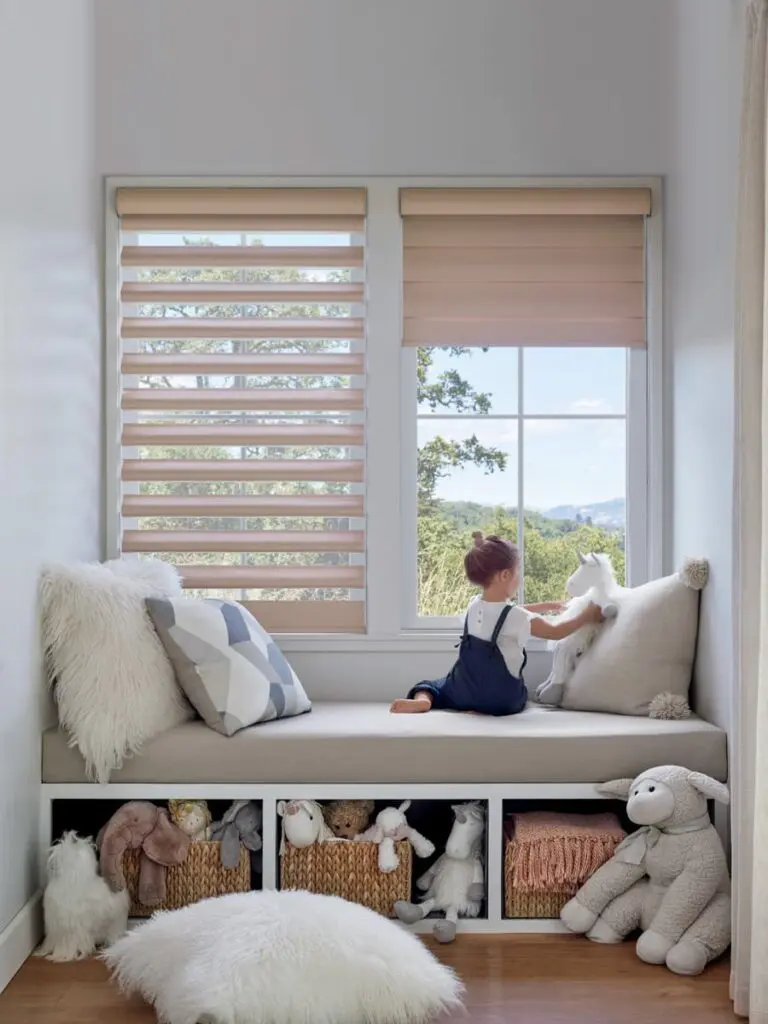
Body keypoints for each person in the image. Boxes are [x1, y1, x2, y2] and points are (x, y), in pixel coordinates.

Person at [390, 531, 604, 717]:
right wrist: (587, 615)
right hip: (503, 701)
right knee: (517, 693)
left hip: (464, 692)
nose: (518, 577)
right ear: (504, 575)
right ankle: (482, 707)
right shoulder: (518, 617)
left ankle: (424, 701)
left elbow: (505, 612)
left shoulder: (473, 605)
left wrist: (547, 605)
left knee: (429, 686)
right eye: (517, 572)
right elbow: (555, 632)